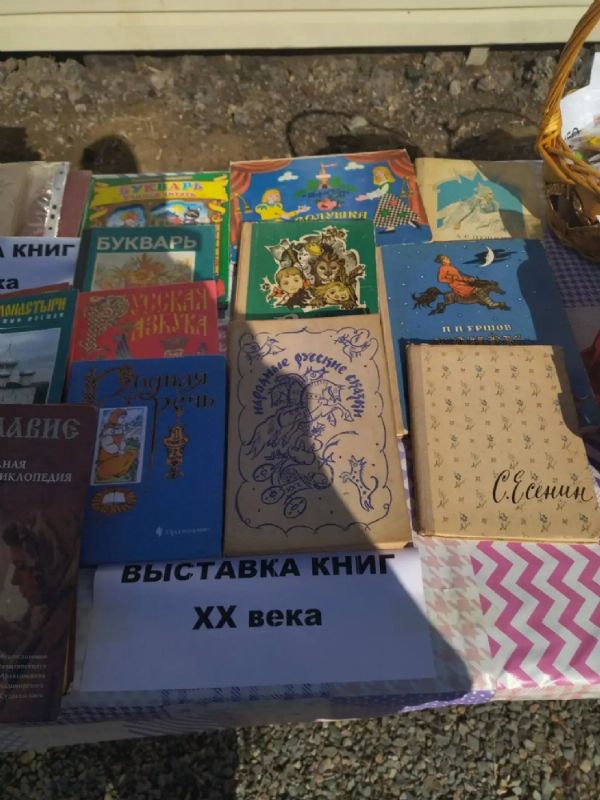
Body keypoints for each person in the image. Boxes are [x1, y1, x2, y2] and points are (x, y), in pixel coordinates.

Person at [356, 165, 420, 231]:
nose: (378, 174)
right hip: (386, 200)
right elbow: (378, 191)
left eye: (380, 172)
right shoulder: (382, 183)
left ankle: (410, 221)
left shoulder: (386, 183)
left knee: (392, 213)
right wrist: (367, 196)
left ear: (385, 173)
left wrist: (367, 197)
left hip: (388, 200)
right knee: (389, 214)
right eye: (376, 173)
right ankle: (392, 226)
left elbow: (381, 192)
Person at [94, 408, 139, 483]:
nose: (123, 420)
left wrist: (121, 449)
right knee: (113, 465)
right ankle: (116, 470)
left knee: (133, 453)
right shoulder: (107, 429)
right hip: (109, 456)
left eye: (124, 418)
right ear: (115, 417)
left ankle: (121, 471)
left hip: (119, 453)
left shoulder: (119, 428)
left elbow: (122, 441)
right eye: (121, 418)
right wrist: (118, 451)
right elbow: (107, 444)